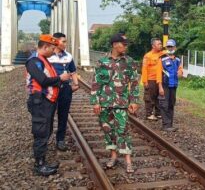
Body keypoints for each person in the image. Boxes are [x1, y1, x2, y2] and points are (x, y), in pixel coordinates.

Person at [90, 33, 139, 173]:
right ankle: (113, 156)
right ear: (114, 45)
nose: (125, 46)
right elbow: (96, 83)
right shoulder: (102, 62)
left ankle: (128, 161)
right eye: (123, 44)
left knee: (123, 130)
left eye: (126, 44)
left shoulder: (129, 62)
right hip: (104, 103)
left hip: (121, 103)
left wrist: (134, 101)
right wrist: (95, 102)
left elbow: (134, 83)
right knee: (108, 130)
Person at [26, 34, 71, 176]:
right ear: (44, 47)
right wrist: (60, 78)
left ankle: (42, 161)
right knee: (41, 132)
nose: (54, 51)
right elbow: (43, 80)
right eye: (52, 48)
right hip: (40, 102)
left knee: (46, 131)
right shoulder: (33, 61)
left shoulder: (43, 60)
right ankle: (39, 165)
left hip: (46, 102)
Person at [48, 32, 79, 151]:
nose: (66, 43)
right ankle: (46, 138)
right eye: (64, 41)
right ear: (56, 41)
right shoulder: (48, 56)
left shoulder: (68, 56)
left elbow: (73, 71)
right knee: (48, 114)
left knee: (63, 115)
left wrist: (75, 84)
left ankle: (60, 140)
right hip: (51, 88)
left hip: (65, 89)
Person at [157, 39, 183, 131]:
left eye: (171, 46)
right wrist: (160, 86)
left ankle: (170, 125)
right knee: (164, 104)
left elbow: (180, 69)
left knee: (171, 104)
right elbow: (158, 74)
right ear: (166, 47)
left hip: (174, 85)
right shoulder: (162, 58)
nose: (170, 48)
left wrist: (180, 72)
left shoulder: (178, 59)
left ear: (175, 47)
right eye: (168, 47)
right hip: (164, 85)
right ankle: (166, 125)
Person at [141, 38, 164, 120]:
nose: (160, 45)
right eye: (158, 44)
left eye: (161, 44)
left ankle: (158, 113)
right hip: (150, 80)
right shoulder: (148, 56)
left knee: (159, 97)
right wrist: (145, 81)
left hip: (160, 80)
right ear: (153, 46)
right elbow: (144, 69)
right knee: (149, 97)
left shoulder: (162, 54)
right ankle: (149, 114)